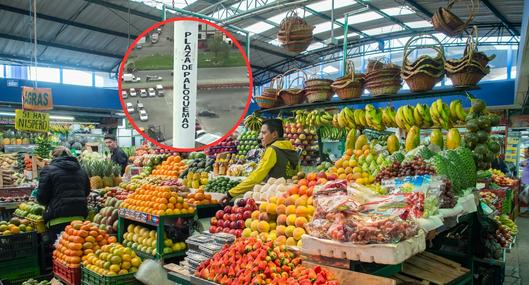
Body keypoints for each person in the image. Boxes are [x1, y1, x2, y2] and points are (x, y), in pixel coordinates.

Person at [220, 119, 300, 205]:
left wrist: (230, 194)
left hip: (274, 198)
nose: (260, 136)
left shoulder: (272, 150)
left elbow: (257, 176)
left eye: (264, 133)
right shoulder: (290, 148)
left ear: (274, 134)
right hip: (291, 195)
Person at [37, 146, 90, 246]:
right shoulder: (81, 171)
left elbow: (41, 198)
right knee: (76, 251)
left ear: (54, 156)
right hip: (79, 219)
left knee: (60, 254)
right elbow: (86, 192)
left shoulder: (48, 170)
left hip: (57, 219)